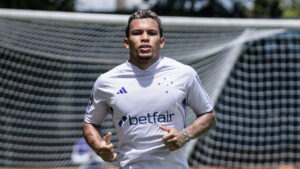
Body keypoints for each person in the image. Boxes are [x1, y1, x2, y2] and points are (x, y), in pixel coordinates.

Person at [83, 9, 216, 169]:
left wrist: (185, 135)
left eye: (151, 33)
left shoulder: (184, 74)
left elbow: (209, 115)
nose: (145, 38)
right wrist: (99, 147)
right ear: (126, 42)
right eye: (137, 33)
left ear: (161, 41)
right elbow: (90, 123)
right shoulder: (106, 81)